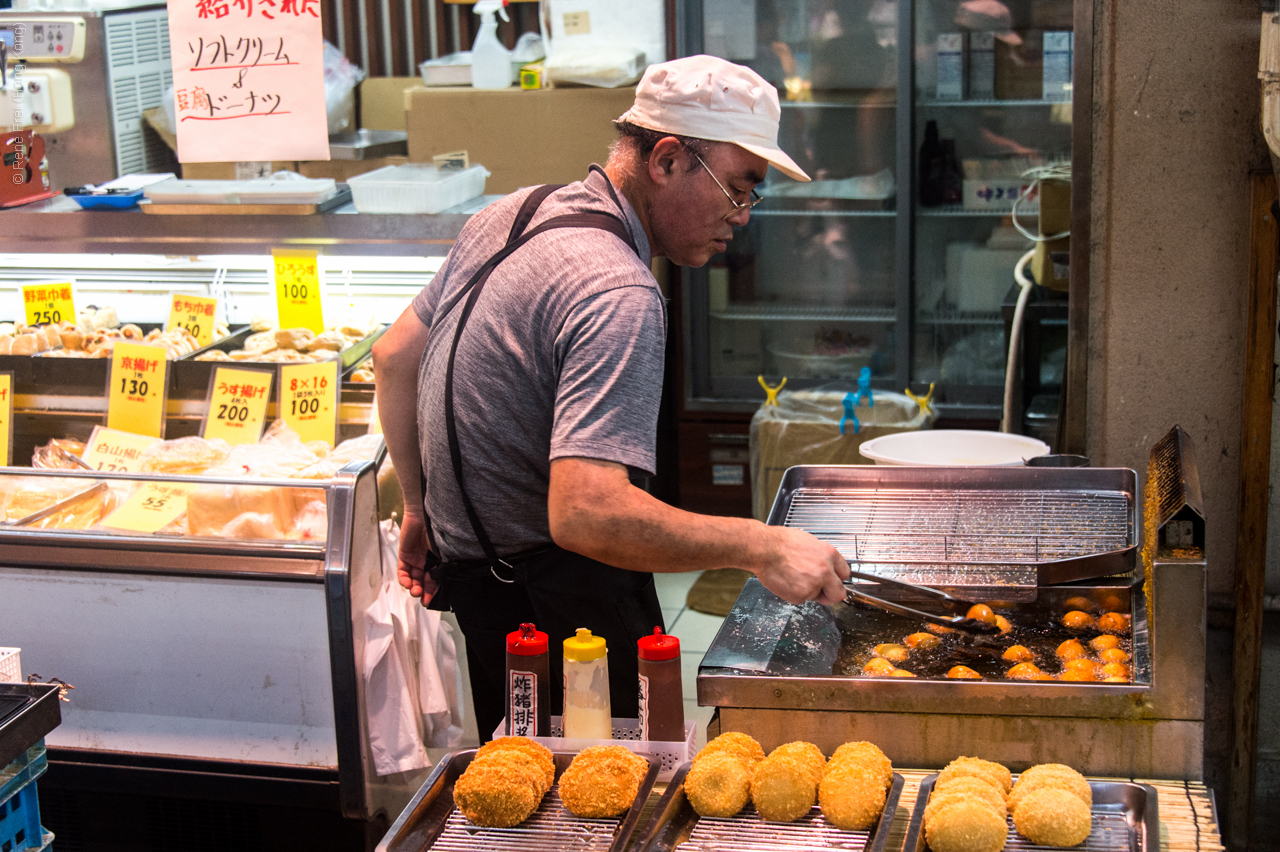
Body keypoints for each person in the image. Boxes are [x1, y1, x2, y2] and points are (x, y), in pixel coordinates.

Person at [373, 55, 851, 741]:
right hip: (568, 613)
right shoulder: (617, 290)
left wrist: (420, 506)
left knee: (520, 786)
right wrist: (759, 546)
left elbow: (394, 358)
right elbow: (587, 514)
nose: (742, 217)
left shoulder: (512, 210)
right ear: (665, 160)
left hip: (483, 595)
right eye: (740, 188)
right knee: (603, 810)